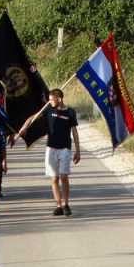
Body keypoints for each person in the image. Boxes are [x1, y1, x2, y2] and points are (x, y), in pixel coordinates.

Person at [37, 88, 80, 216]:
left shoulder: (70, 112)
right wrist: (24, 128)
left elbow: (75, 132)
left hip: (65, 148)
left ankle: (66, 204)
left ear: (59, 99)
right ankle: (58, 205)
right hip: (51, 148)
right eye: (49, 99)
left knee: (64, 176)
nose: (49, 101)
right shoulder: (49, 108)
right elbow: (35, 117)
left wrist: (77, 151)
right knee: (54, 178)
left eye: (52, 99)